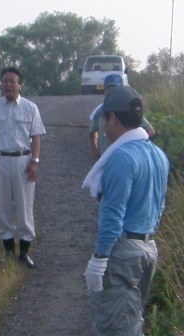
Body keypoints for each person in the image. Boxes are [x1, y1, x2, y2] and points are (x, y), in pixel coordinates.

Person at [82, 86, 169, 335]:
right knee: (131, 321)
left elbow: (113, 215)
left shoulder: (121, 157)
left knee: (115, 327)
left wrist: (99, 258)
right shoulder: (158, 154)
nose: (103, 126)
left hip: (122, 252)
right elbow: (159, 205)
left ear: (113, 118)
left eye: (104, 118)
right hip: (147, 246)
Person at [0, 67, 46, 269]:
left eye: (12, 81)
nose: (8, 84)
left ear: (20, 84)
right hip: (0, 160)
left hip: (23, 161)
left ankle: (24, 251)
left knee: (25, 206)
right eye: (5, 81)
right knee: (3, 206)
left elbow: (36, 137)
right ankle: (8, 250)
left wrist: (35, 161)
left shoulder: (30, 108)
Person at [89, 74, 155, 160]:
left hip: (126, 157)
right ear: (105, 90)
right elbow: (91, 132)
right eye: (108, 89)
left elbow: (150, 131)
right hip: (104, 158)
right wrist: (94, 149)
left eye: (114, 88)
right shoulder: (99, 112)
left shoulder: (129, 110)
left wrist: (134, 145)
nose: (111, 91)